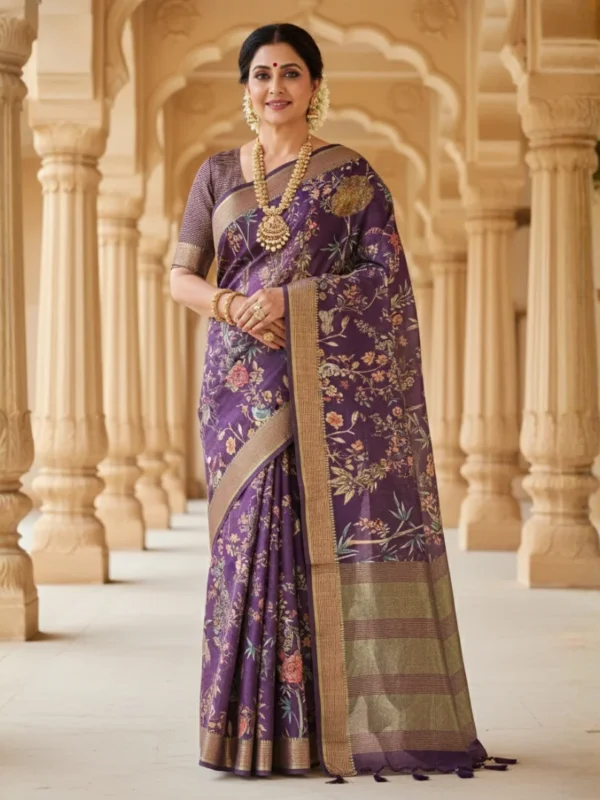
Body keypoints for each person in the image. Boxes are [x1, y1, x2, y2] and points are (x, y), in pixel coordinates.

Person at [171, 22, 511, 782]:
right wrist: (232, 307)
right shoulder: (216, 175)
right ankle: (249, 733)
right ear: (245, 89)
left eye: (292, 73)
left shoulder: (351, 175)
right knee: (251, 540)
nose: (276, 87)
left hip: (323, 380)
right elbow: (180, 276)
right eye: (262, 74)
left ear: (315, 86)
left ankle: (323, 727)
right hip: (239, 386)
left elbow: (386, 280)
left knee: (318, 534)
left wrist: (290, 300)